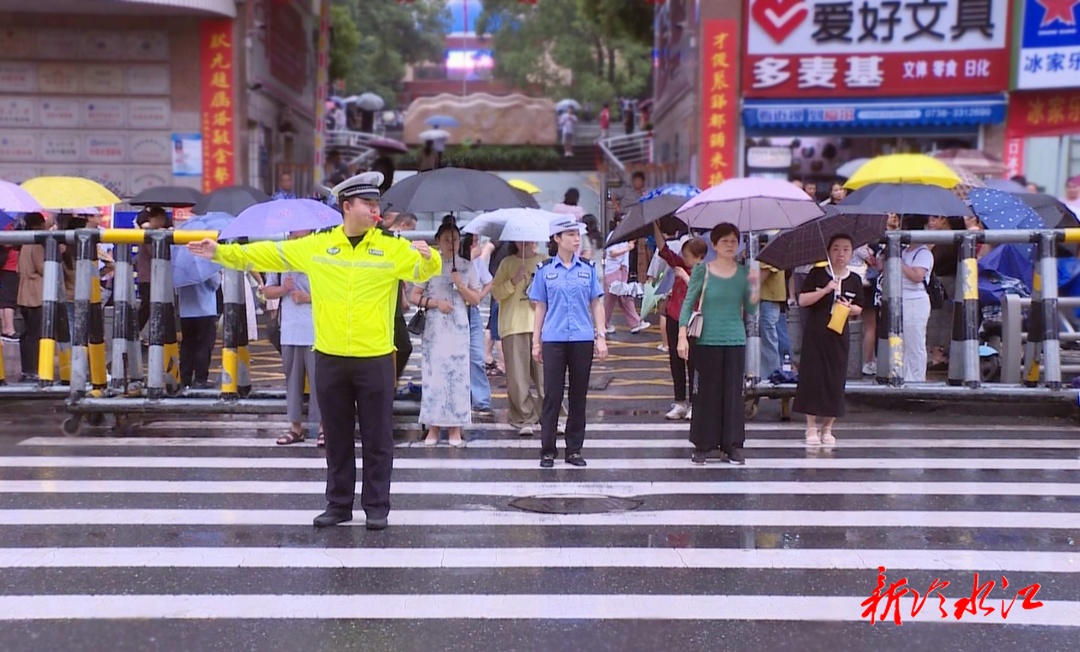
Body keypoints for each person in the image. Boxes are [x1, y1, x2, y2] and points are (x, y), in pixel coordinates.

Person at [187, 172, 441, 530]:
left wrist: (427, 258)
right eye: (367, 204)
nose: (375, 210)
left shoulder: (391, 247)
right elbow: (271, 253)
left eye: (376, 204)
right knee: (336, 436)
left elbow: (424, 267)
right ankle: (338, 504)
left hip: (376, 357)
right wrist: (222, 253)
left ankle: (377, 506)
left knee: (377, 437)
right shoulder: (318, 247)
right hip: (331, 355)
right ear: (346, 207)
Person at [529, 217, 608, 468]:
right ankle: (548, 450)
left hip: (582, 338)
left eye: (577, 234)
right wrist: (536, 341)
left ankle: (574, 450)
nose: (576, 239)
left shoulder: (587, 268)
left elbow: (596, 303)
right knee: (552, 395)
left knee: (578, 395)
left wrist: (601, 335)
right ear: (557, 239)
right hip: (553, 338)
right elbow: (540, 307)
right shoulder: (545, 271)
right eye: (570, 234)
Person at [677, 223, 759, 466]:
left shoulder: (745, 273)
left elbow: (752, 308)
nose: (730, 245)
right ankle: (703, 444)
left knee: (733, 394)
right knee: (705, 394)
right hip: (706, 339)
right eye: (724, 241)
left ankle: (731, 445)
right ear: (714, 245)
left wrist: (755, 287)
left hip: (734, 338)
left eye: (734, 241)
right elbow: (688, 303)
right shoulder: (703, 270)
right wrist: (682, 336)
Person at [409, 220, 481, 446]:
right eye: (447, 240)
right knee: (434, 377)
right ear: (438, 241)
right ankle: (433, 427)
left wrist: (460, 284)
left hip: (459, 328)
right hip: (435, 329)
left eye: (456, 240)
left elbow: (476, 299)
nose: (452, 244)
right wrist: (435, 302)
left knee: (458, 378)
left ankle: (455, 428)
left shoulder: (467, 266)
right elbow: (413, 296)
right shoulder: (429, 264)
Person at [793, 234, 864, 446]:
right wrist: (825, 290)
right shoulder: (817, 274)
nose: (840, 254)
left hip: (839, 334)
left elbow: (859, 307)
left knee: (835, 379)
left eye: (845, 249)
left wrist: (848, 306)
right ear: (828, 251)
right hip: (816, 333)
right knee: (812, 378)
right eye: (836, 249)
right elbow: (802, 299)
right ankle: (811, 426)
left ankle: (828, 427)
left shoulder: (854, 279)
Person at [263, 235, 323, 447]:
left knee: (321, 381)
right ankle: (295, 427)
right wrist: (283, 289)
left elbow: (335, 291)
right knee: (293, 380)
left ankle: (324, 427)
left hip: (318, 329)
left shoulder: (319, 255)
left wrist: (309, 297)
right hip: (289, 329)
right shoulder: (280, 258)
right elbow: (268, 291)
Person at [491, 240, 548, 436]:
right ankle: (524, 416)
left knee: (545, 376)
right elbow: (496, 293)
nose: (525, 242)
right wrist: (513, 281)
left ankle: (550, 415)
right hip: (514, 325)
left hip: (542, 327)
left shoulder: (545, 262)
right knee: (518, 377)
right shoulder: (507, 263)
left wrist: (541, 303)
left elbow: (555, 292)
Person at [653, 222, 707, 420]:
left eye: (687, 256)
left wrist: (685, 277)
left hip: (693, 321)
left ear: (699, 257)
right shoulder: (680, 265)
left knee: (694, 363)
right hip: (675, 317)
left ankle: (695, 403)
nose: (684, 259)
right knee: (675, 362)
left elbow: (703, 293)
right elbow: (663, 249)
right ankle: (680, 402)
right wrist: (656, 225)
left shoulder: (704, 271)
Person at [16, 213, 46, 382]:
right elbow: (42, 267)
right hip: (35, 294)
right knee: (35, 333)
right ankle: (32, 369)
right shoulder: (36, 244)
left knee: (27, 333)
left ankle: (27, 368)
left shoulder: (23, 243)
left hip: (24, 293)